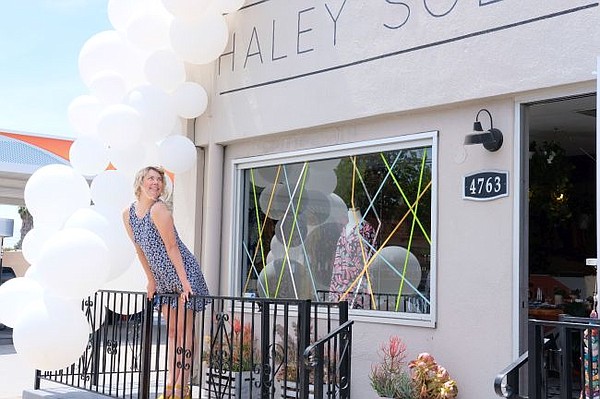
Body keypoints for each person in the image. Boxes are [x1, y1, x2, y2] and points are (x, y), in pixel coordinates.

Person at [123, 166, 210, 399]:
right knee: (172, 332)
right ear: (140, 182)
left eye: (159, 180)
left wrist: (183, 283)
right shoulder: (128, 215)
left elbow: (172, 247)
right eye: (151, 178)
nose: (156, 183)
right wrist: (150, 281)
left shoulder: (159, 209)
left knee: (184, 332)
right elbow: (140, 250)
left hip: (183, 273)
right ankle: (171, 383)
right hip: (161, 279)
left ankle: (183, 388)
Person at [328, 208, 376, 308]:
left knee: (356, 315)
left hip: (358, 282)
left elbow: (373, 257)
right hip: (339, 282)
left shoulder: (367, 229)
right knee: (337, 315)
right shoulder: (343, 228)